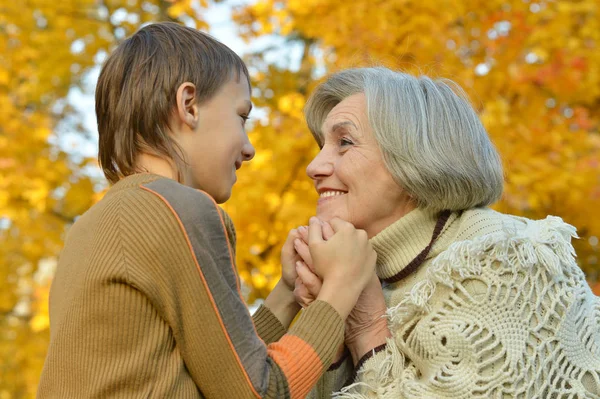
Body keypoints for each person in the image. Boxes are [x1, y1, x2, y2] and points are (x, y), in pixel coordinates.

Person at [37, 23, 378, 399]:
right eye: (241, 116)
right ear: (189, 106)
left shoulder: (89, 228)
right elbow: (258, 391)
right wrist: (340, 288)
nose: (248, 149)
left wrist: (286, 293)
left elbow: (218, 373)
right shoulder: (180, 210)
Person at [290, 67, 600, 398]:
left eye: (345, 142)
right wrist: (332, 329)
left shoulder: (507, 260)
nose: (314, 167)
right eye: (322, 145)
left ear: (413, 157)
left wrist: (367, 331)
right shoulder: (364, 273)